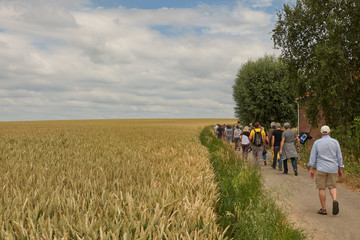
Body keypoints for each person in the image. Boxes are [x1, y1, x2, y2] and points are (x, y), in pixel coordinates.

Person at [308, 125, 344, 216]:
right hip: (332, 168)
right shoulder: (335, 142)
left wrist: (311, 168)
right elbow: (339, 156)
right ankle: (334, 200)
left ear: (321, 133)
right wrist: (340, 168)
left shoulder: (317, 143)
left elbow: (313, 156)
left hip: (321, 168)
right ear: (329, 132)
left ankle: (323, 209)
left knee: (322, 188)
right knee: (332, 186)